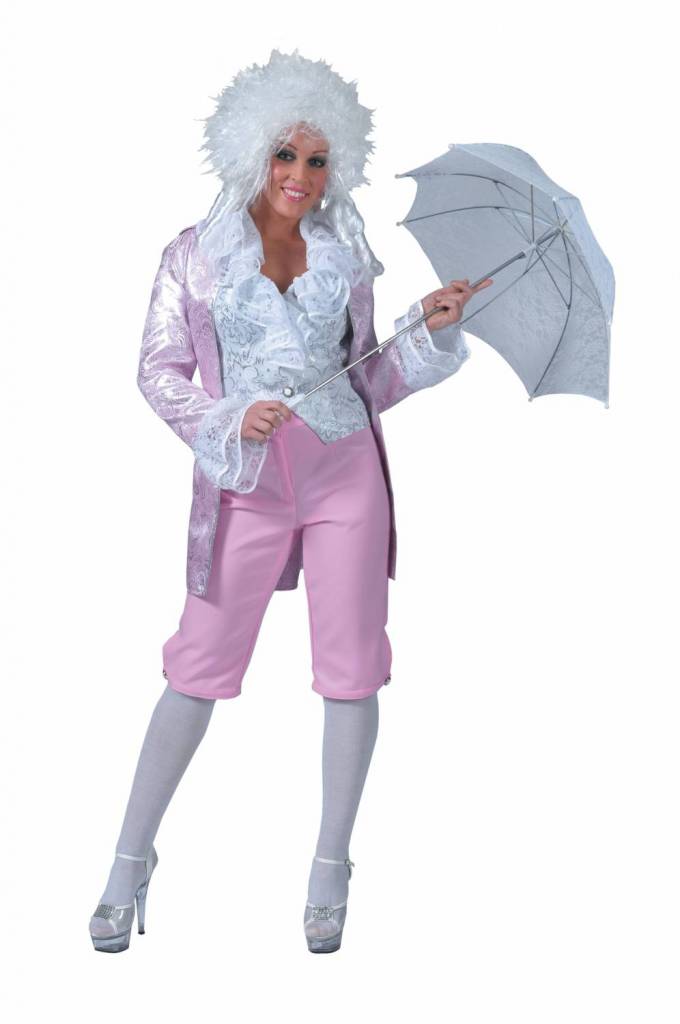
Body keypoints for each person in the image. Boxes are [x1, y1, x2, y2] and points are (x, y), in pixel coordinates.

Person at [88, 48, 492, 955]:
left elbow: (370, 379)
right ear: (251, 151)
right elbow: (158, 371)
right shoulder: (194, 257)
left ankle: (330, 867)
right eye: (284, 153)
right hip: (248, 482)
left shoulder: (346, 258)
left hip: (345, 475)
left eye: (317, 159)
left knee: (352, 668)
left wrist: (426, 332)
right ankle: (129, 859)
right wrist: (231, 415)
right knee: (197, 666)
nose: (299, 176)